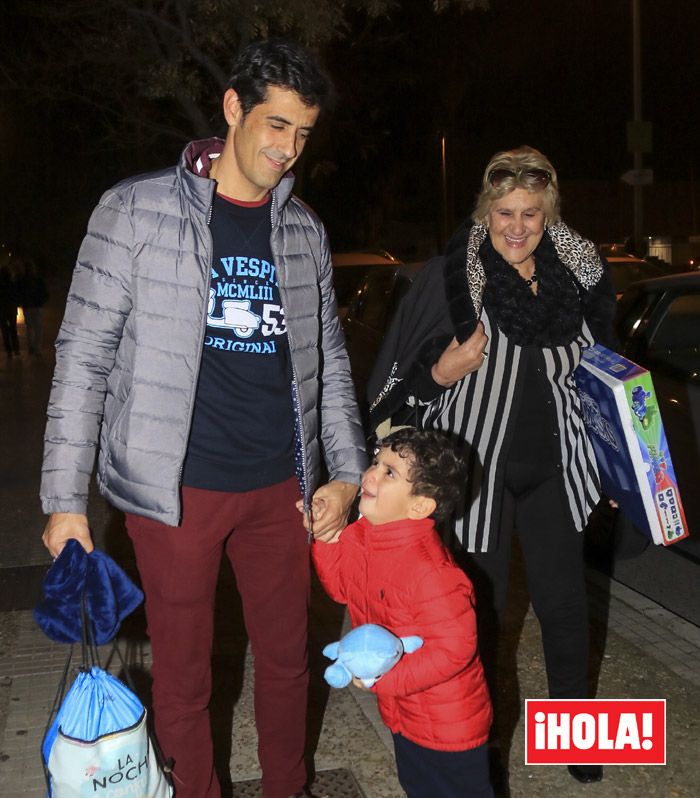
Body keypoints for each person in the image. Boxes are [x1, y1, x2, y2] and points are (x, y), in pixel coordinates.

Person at [40, 38, 367, 798]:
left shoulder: (303, 231)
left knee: (287, 664)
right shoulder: (135, 210)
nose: (287, 148)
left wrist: (346, 475)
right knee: (184, 680)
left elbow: (331, 368)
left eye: (303, 133)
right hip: (172, 494)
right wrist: (64, 501)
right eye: (275, 125)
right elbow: (82, 357)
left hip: (280, 490)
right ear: (233, 111)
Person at [367, 146, 617, 786]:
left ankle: (577, 741)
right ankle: (477, 750)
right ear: (485, 210)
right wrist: (439, 371)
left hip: (558, 468)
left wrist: (625, 458)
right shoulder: (454, 276)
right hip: (476, 474)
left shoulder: (580, 275)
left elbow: (605, 375)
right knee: (480, 616)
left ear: (549, 213)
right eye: (504, 211)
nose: (517, 226)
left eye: (531, 213)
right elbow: (398, 390)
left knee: (564, 610)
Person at [312, 428, 493, 798]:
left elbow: (453, 650)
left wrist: (386, 681)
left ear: (419, 506)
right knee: (417, 786)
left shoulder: (432, 573)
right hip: (403, 716)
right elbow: (341, 588)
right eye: (376, 462)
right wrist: (327, 538)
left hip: (449, 727)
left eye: (389, 472)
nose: (370, 474)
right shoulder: (365, 536)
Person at [16, 257, 49, 355]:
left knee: (30, 328)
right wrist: (41, 301)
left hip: (28, 306)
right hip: (37, 306)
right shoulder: (38, 280)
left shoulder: (22, 280)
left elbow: (18, 293)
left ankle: (31, 347)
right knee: (38, 328)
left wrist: (21, 302)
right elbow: (45, 293)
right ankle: (37, 348)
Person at [0, 259, 20, 358]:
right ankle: (16, 350)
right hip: (11, 308)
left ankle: (9, 351)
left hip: (2, 309)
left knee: (5, 331)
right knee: (13, 330)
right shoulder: (12, 284)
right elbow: (16, 296)